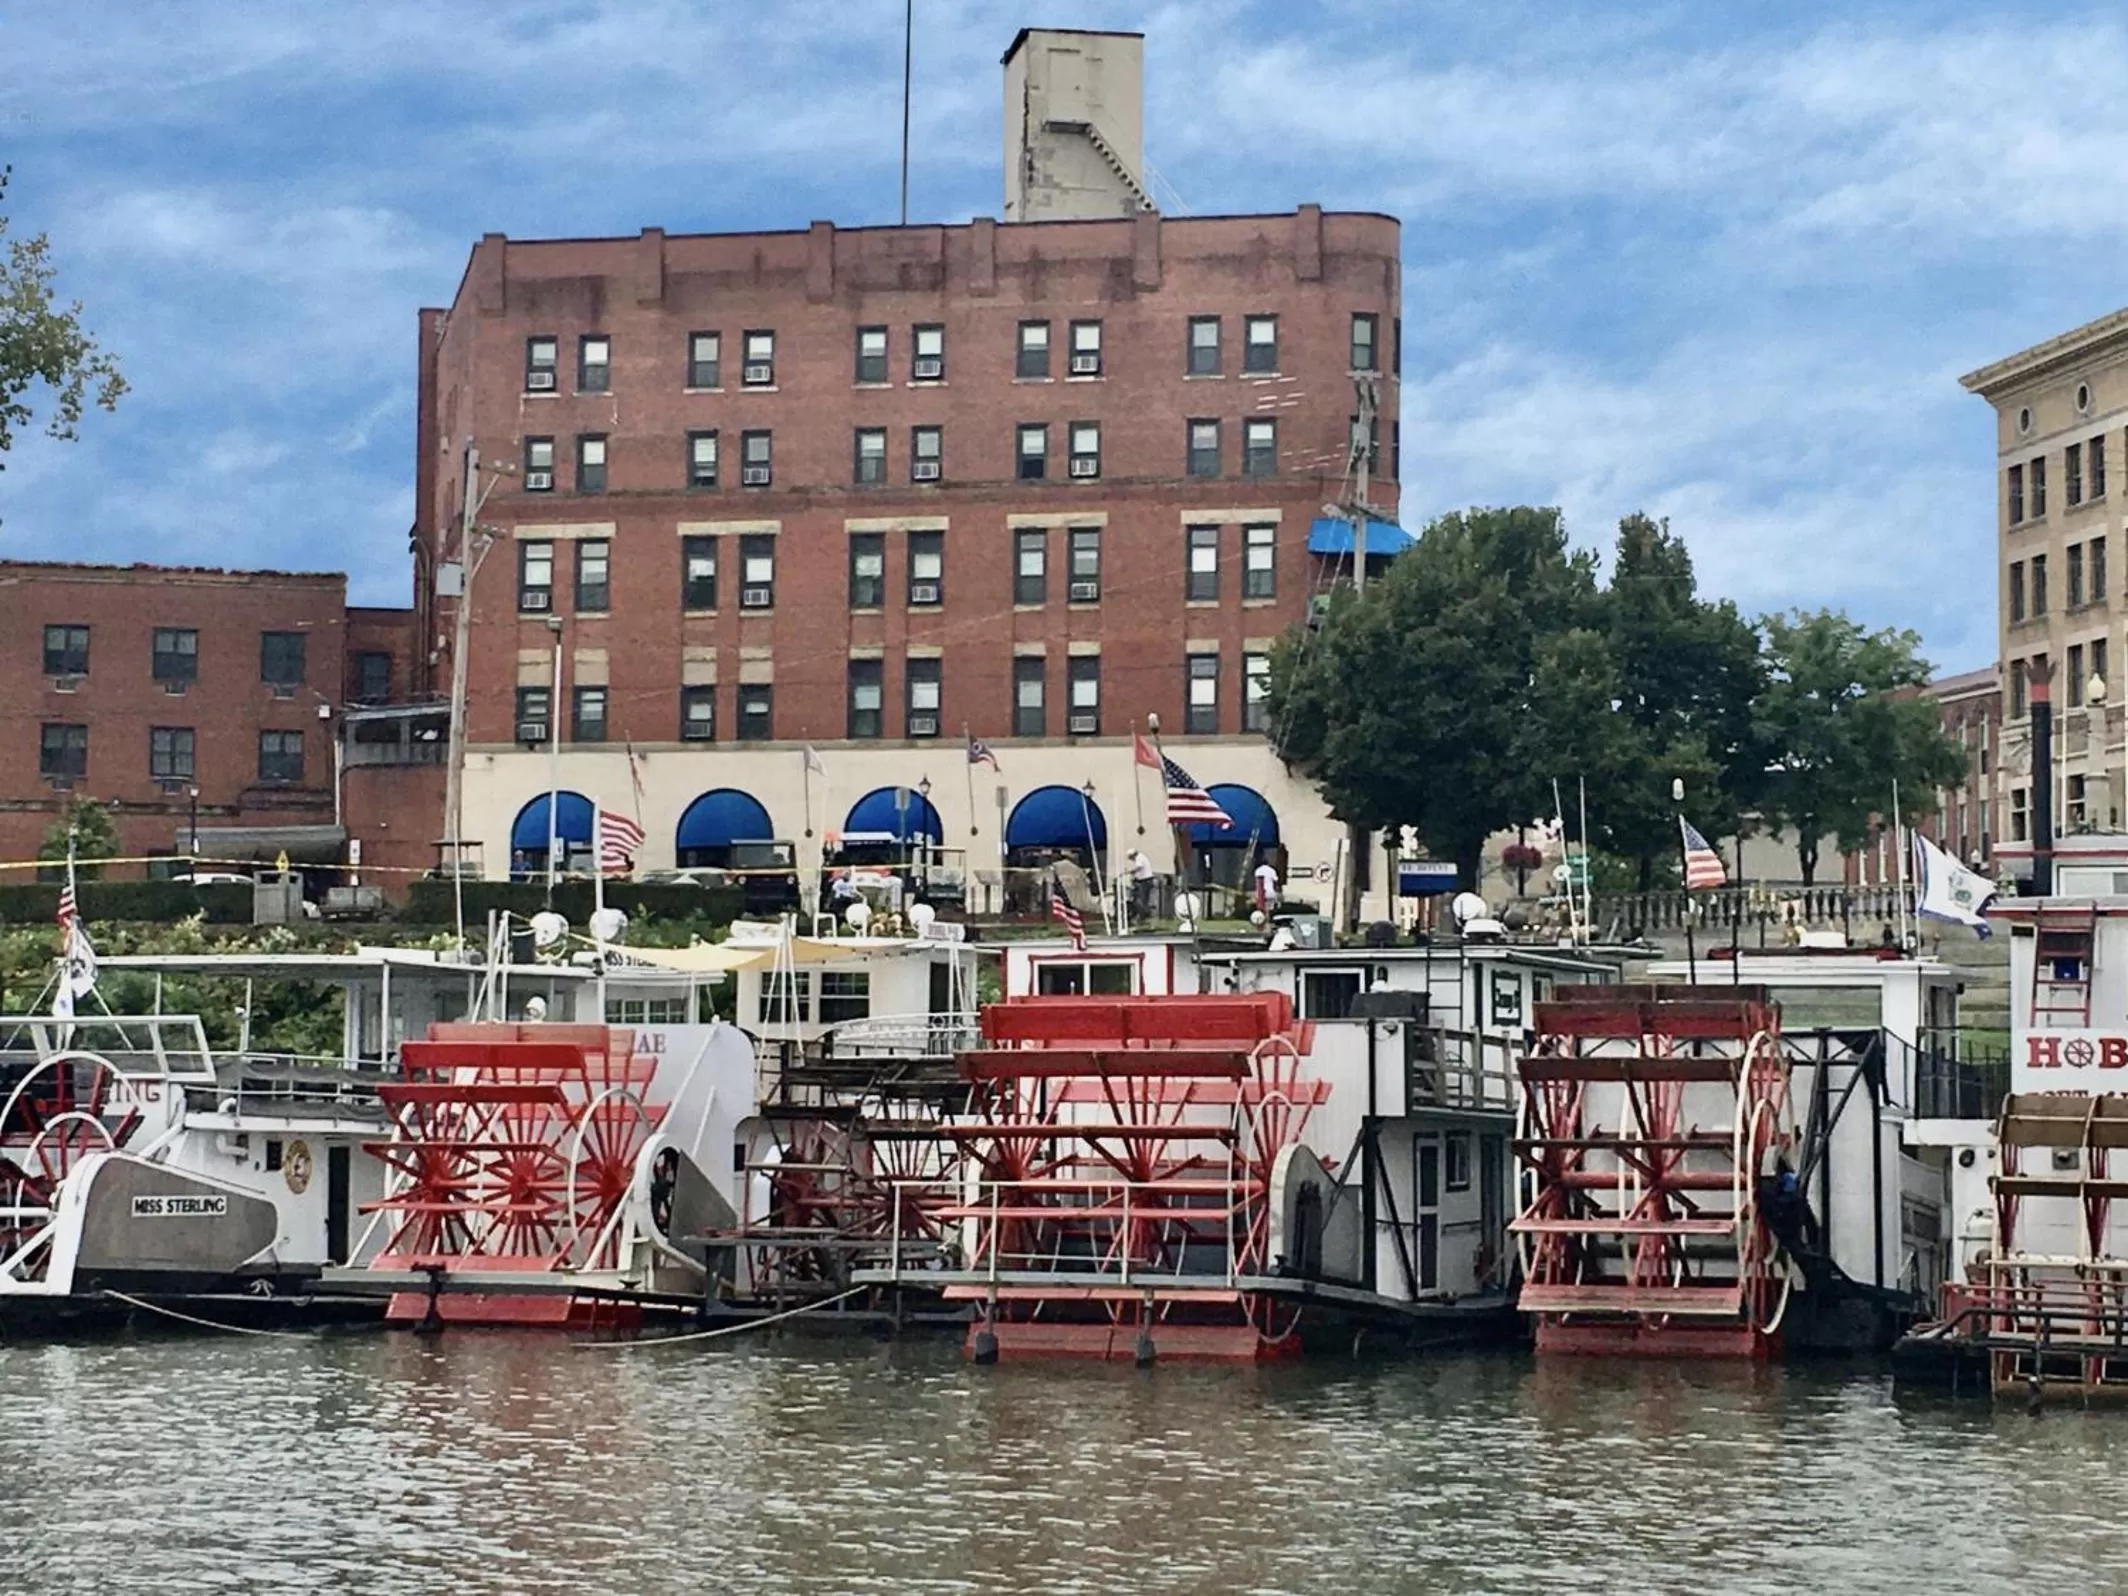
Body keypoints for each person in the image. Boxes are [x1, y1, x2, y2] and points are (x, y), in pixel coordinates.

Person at [1128, 848, 1155, 921]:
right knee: (1144, 899)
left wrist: (1132, 871)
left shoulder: (1139, 858)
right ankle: (1144, 915)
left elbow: (1139, 866)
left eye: (1131, 858)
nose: (1131, 860)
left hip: (1145, 881)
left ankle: (1144, 915)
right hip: (1147, 880)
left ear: (1133, 855)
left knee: (1142, 899)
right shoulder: (1141, 857)